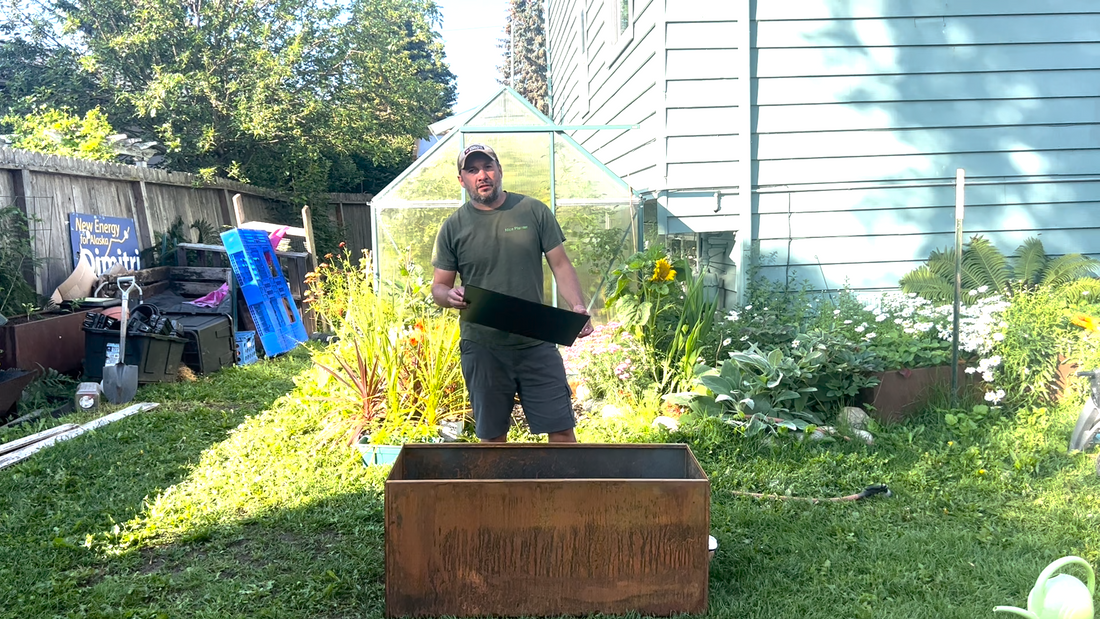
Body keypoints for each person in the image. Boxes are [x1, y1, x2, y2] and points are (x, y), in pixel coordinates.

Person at [431, 143, 593, 443]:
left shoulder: (532, 211)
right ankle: (503, 493)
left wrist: (578, 306)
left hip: (536, 341)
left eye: (488, 167)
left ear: (500, 171)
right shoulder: (453, 227)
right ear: (462, 179)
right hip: (482, 346)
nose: (482, 175)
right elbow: (439, 287)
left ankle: (564, 490)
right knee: (493, 439)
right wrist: (448, 296)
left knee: (561, 431)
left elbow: (560, 264)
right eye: (472, 170)